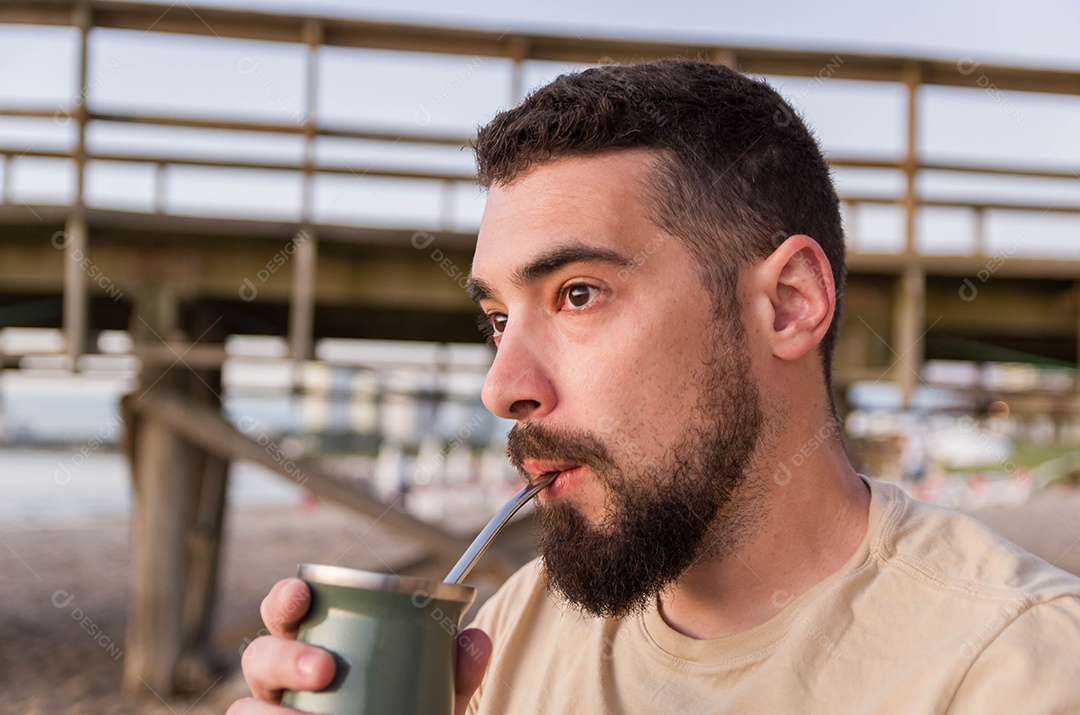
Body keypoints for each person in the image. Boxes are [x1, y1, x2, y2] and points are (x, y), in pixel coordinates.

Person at [229, 58, 1080, 715]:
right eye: (497, 319)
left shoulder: (1014, 665)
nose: (502, 387)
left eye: (577, 295)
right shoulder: (504, 642)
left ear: (789, 304)